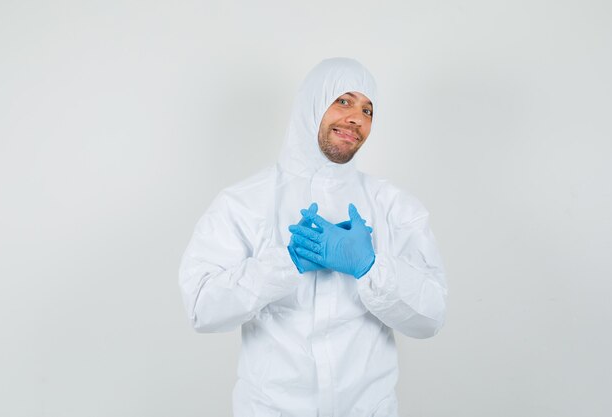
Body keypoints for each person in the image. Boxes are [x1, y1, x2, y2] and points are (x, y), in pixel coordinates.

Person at [179, 58, 447, 417]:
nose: (357, 118)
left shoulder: (393, 207)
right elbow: (202, 309)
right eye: (344, 101)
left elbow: (430, 316)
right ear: (311, 104)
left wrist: (371, 268)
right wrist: (285, 264)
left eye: (368, 110)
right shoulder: (244, 202)